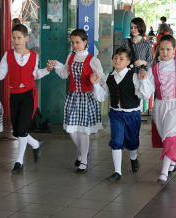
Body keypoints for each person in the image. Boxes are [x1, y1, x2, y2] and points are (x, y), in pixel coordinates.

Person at [0, 24, 53, 173]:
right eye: (13, 38)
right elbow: (0, 75)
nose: (16, 41)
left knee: (22, 128)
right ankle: (35, 144)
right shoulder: (8, 55)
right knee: (18, 130)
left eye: (19, 37)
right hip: (14, 95)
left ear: (26, 38)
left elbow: (35, 74)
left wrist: (47, 70)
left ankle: (18, 162)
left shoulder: (34, 56)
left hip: (29, 95)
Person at [91, 47, 151, 182]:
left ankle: (134, 157)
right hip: (116, 114)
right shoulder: (108, 77)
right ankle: (117, 172)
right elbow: (102, 97)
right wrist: (95, 85)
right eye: (115, 58)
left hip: (132, 114)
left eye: (121, 58)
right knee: (116, 141)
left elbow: (144, 95)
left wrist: (143, 81)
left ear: (128, 62)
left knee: (132, 141)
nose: (117, 61)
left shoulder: (135, 77)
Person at [49, 29, 104, 174]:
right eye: (72, 42)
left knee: (83, 130)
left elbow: (102, 77)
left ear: (85, 42)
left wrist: (96, 80)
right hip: (73, 96)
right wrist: (56, 65)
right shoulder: (70, 57)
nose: (75, 45)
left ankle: (84, 161)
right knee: (72, 129)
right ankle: (83, 152)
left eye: (77, 42)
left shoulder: (93, 59)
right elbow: (64, 74)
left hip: (86, 96)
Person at [143, 35, 176, 184]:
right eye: (162, 49)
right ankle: (172, 162)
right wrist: (142, 80)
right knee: (166, 137)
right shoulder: (154, 69)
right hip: (160, 107)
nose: (165, 52)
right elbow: (148, 91)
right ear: (158, 50)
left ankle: (164, 172)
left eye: (168, 49)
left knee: (170, 138)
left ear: (174, 50)